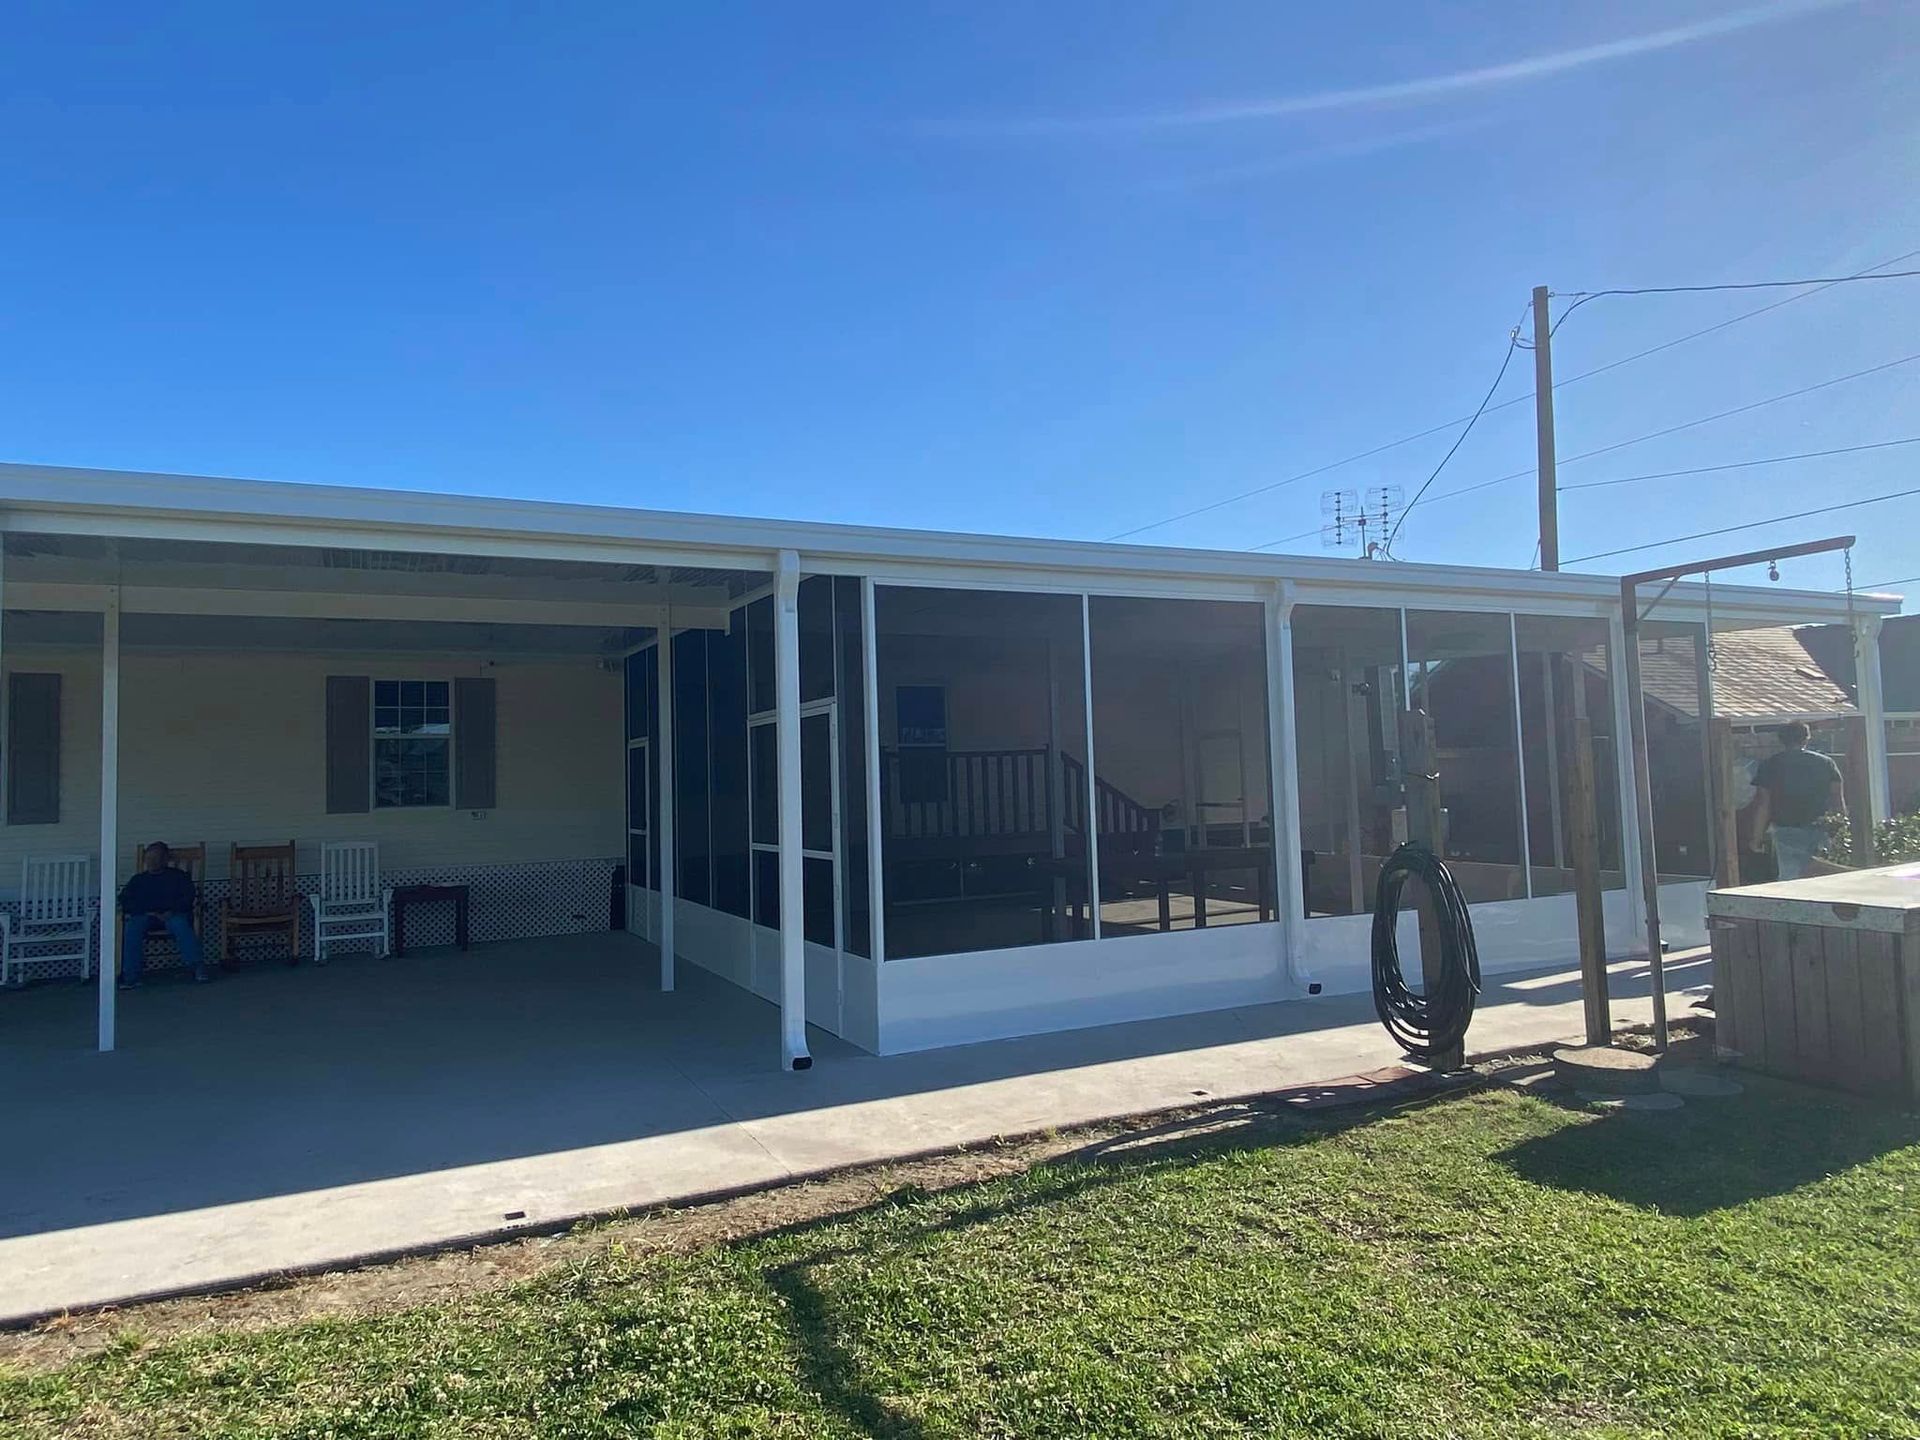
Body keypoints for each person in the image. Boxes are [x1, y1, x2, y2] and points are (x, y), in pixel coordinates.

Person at [1748, 722, 1845, 881]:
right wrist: (1842, 833)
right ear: (1806, 738)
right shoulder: (1826, 763)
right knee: (1825, 875)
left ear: (1781, 740)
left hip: (1786, 830)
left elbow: (1763, 804)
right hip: (1820, 828)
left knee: (1790, 877)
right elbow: (1837, 799)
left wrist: (1756, 837)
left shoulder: (1770, 764)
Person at [118, 842, 208, 987]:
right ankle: (131, 976)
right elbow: (125, 900)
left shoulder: (178, 877)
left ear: (165, 859)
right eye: (148, 858)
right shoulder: (138, 880)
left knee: (180, 924)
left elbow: (188, 897)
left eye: (156, 858)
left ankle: (197, 966)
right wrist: (146, 911)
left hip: (172, 915)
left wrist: (171, 911)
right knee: (132, 927)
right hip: (146, 915)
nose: (151, 862)